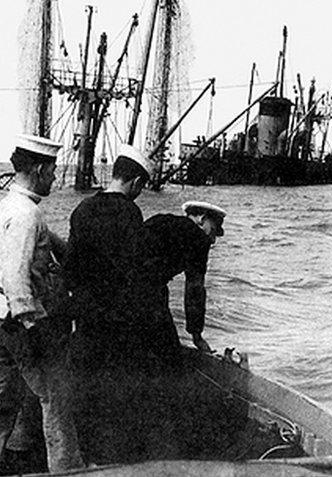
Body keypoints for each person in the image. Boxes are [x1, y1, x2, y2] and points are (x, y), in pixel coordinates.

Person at [63, 144, 154, 464]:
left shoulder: (82, 209)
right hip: (119, 324)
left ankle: (90, 462)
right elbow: (135, 274)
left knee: (88, 394)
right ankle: (116, 464)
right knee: (119, 398)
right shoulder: (131, 213)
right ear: (136, 183)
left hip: (87, 322)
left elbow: (70, 271)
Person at [0, 134, 84, 472]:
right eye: (51, 171)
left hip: (2, 321)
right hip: (21, 322)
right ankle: (68, 470)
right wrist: (33, 325)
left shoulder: (7, 205)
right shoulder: (27, 214)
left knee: (4, 399)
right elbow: (16, 276)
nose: (53, 178)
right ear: (38, 169)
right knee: (56, 399)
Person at [142, 201, 226, 366]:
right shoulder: (199, 238)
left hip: (115, 285)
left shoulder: (159, 220)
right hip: (148, 290)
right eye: (214, 230)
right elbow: (195, 289)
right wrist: (197, 336)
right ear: (202, 219)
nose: (213, 239)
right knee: (169, 356)